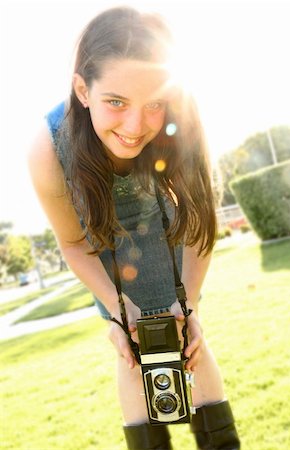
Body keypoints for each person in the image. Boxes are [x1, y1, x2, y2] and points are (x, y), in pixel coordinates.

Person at [28, 6, 241, 450]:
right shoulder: (48, 147)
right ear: (83, 90)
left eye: (153, 105)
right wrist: (118, 307)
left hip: (162, 219)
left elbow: (198, 215)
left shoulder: (182, 119)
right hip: (99, 235)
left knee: (180, 335)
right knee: (132, 348)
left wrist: (191, 306)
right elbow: (73, 242)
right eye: (116, 103)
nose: (135, 126)